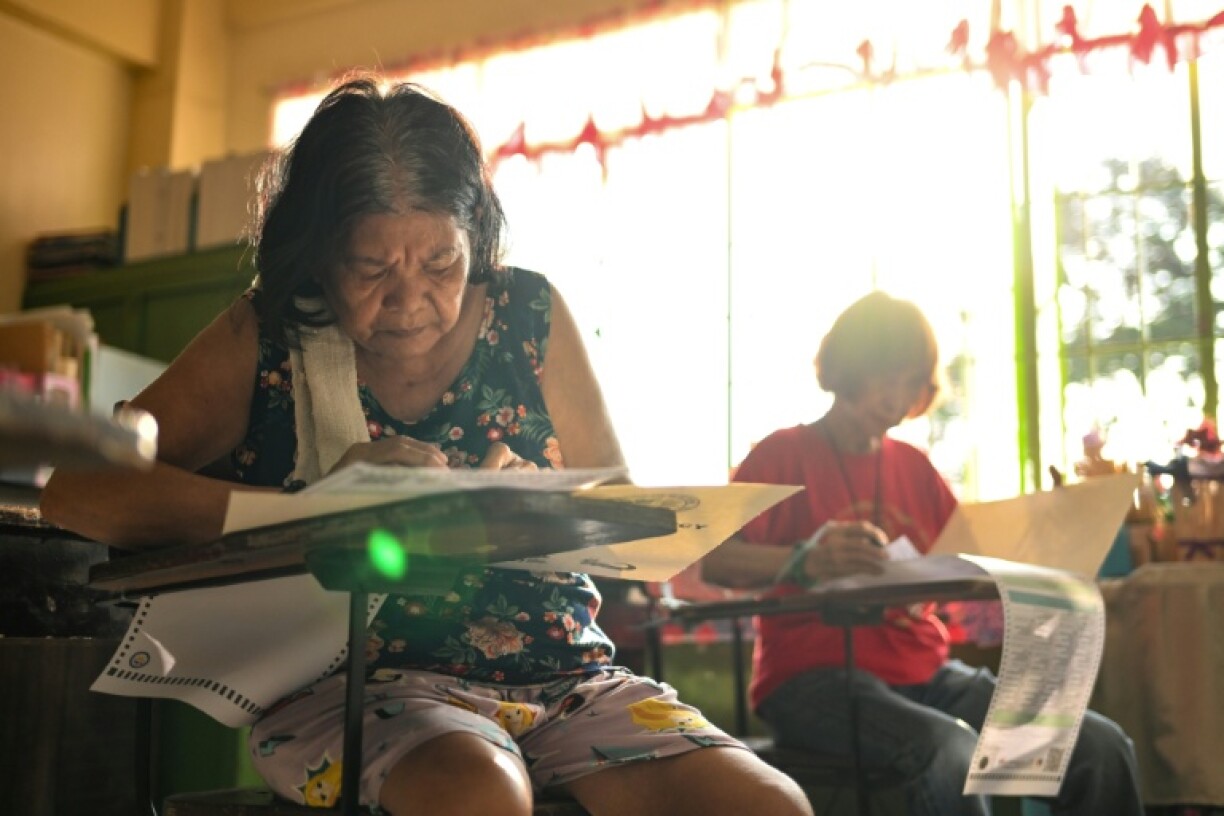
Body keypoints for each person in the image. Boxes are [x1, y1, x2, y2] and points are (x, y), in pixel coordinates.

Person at [40, 76, 812, 816]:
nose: (411, 301)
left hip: (568, 680)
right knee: (475, 795)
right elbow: (77, 490)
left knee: (769, 804)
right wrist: (313, 511)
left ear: (475, 237)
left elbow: (616, 507)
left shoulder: (529, 314)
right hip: (358, 691)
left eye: (441, 262)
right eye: (371, 268)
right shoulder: (270, 332)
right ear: (315, 256)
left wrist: (524, 511)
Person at [700, 291, 1144, 816]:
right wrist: (803, 559)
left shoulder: (915, 467)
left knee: (1099, 746)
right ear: (848, 366)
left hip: (928, 675)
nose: (897, 394)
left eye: (910, 380)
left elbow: (969, 562)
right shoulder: (783, 452)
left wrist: (1053, 545)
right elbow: (716, 561)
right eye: (885, 373)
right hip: (812, 680)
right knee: (949, 750)